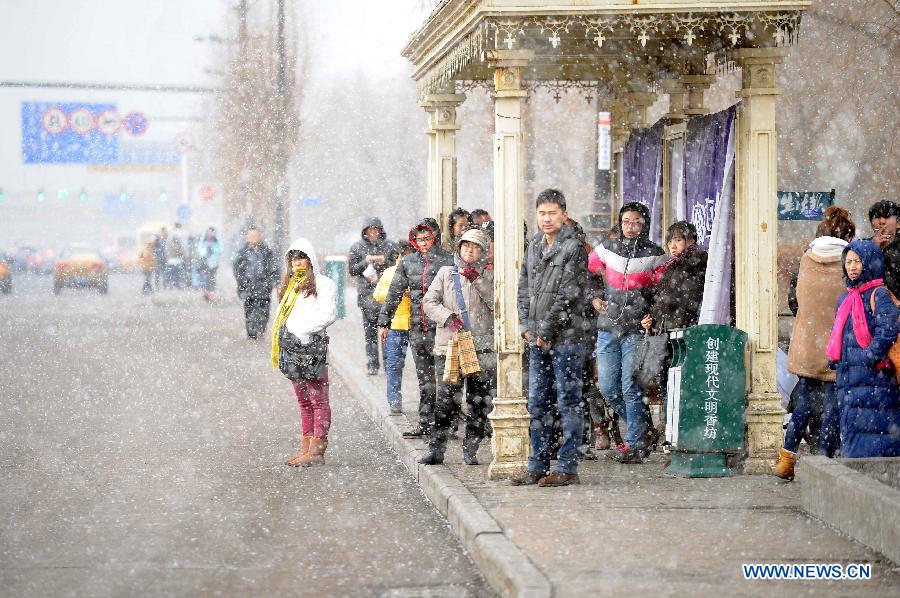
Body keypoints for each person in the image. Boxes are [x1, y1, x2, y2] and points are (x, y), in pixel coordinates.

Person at [511, 189, 589, 487]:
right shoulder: (533, 245)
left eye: (552, 213)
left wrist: (545, 332)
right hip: (537, 338)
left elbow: (569, 295)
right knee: (537, 402)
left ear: (563, 214)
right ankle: (537, 464)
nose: (546, 218)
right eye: (542, 213)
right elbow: (524, 288)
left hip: (567, 338)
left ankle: (568, 466)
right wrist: (526, 327)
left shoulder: (574, 248)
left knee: (569, 401)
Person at [775, 208, 855, 480]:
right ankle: (825, 465)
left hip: (807, 343)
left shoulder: (805, 259)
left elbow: (793, 301)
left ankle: (786, 460)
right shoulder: (850, 263)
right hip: (836, 345)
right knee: (833, 406)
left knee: (804, 404)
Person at [589, 202, 667, 464]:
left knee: (630, 388)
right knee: (609, 388)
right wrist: (595, 298)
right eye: (626, 222)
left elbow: (662, 292)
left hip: (635, 328)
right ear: (620, 223)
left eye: (636, 222)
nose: (631, 227)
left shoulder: (655, 254)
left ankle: (635, 444)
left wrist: (652, 315)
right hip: (607, 327)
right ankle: (643, 429)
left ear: (644, 224)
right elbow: (589, 275)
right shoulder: (607, 248)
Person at [419, 227, 495, 466]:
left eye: (475, 247)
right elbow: (429, 303)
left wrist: (479, 280)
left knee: (479, 401)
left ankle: (470, 449)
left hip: (481, 347)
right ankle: (436, 449)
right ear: (459, 248)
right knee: (446, 399)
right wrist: (447, 317)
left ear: (483, 251)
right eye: (466, 246)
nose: (470, 251)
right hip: (449, 347)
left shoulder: (490, 275)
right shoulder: (445, 273)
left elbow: (497, 303)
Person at [379, 218, 453, 437]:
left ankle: (445, 424)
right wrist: (385, 322)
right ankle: (425, 422)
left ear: (435, 238)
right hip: (417, 328)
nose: (423, 243)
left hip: (442, 328)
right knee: (425, 379)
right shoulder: (408, 262)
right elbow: (393, 292)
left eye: (427, 239)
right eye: (419, 240)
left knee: (446, 378)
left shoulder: (448, 261)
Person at [827, 240, 900, 458]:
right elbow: (838, 333)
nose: (852, 267)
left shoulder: (879, 295)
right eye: (848, 262)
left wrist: (871, 355)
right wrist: (836, 357)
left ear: (870, 263)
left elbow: (888, 329)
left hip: (874, 378)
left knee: (876, 429)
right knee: (854, 428)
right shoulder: (845, 298)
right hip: (849, 377)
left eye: (858, 261)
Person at [272, 238, 337, 467]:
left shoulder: (323, 283)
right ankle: (305, 449)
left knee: (318, 400)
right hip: (291, 349)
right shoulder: (290, 285)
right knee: (303, 401)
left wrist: (303, 331)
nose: (298, 263)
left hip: (311, 348)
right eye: (293, 259)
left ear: (310, 259)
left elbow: (328, 315)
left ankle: (317, 451)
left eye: (301, 258)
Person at [348, 217, 397, 375]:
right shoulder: (357, 247)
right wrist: (365, 262)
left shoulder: (390, 246)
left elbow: (399, 265)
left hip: (386, 297)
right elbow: (352, 270)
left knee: (386, 332)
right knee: (370, 334)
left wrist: (385, 261)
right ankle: (372, 364)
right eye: (370, 230)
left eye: (376, 230)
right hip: (366, 297)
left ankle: (389, 363)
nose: (373, 233)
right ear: (365, 232)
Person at [373, 240, 416, 415]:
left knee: (424, 368)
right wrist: (396, 290)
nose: (403, 259)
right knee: (394, 365)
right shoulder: (389, 273)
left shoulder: (417, 272)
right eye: (400, 256)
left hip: (415, 324)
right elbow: (378, 294)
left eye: (406, 255)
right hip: (395, 324)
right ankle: (394, 400)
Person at [233, 226, 280, 340]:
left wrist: (276, 282)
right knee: (250, 313)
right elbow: (237, 270)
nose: (253, 238)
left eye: (255, 235)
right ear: (247, 237)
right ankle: (252, 335)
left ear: (259, 237)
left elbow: (274, 268)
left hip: (264, 288)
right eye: (251, 235)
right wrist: (243, 283)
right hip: (248, 288)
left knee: (264, 313)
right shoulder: (242, 253)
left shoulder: (267, 252)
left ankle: (261, 331)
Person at [195, 227, 222, 303]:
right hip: (205, 262)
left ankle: (212, 293)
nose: (210, 234)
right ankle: (207, 292)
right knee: (206, 277)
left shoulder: (216, 241)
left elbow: (220, 250)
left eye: (211, 232)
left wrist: (212, 249)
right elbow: (199, 250)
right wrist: (205, 252)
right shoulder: (203, 240)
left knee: (212, 278)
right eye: (208, 232)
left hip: (214, 262)